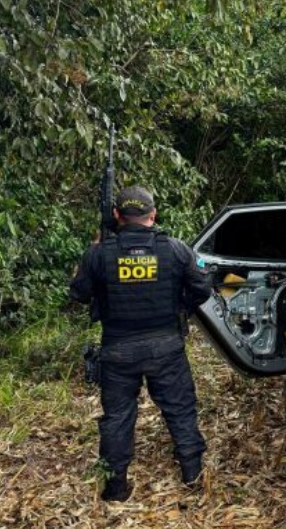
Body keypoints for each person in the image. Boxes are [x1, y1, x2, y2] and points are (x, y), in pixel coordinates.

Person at [69, 185, 212, 502]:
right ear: (153, 215)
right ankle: (192, 476)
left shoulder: (99, 253)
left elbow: (77, 293)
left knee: (117, 418)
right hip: (166, 346)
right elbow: (203, 287)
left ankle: (115, 489)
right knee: (181, 411)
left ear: (117, 215)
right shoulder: (175, 249)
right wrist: (182, 310)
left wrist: (94, 250)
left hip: (119, 349)